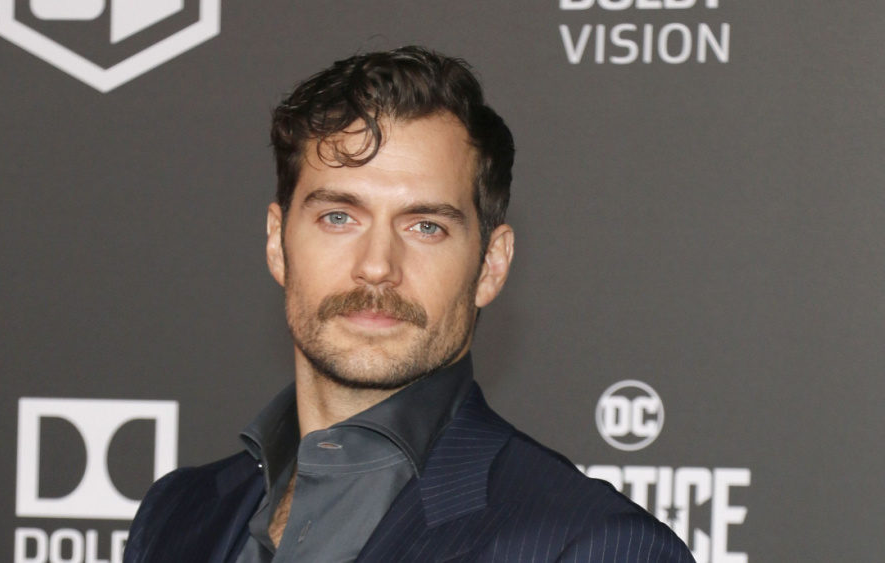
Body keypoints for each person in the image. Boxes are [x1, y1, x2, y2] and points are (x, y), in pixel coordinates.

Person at [124, 46, 694, 562]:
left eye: (425, 226)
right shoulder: (177, 515)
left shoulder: (593, 545)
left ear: (490, 265)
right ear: (278, 243)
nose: (377, 266)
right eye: (339, 217)